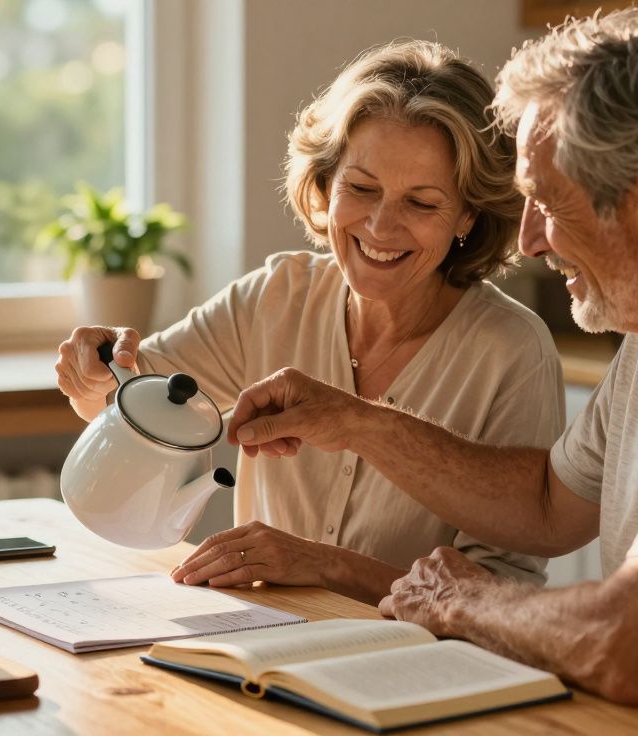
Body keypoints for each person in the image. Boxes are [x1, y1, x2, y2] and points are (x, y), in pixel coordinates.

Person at [223, 9, 638, 734]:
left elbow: (634, 648)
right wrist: (355, 421)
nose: (528, 239)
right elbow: (546, 503)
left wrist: (465, 603)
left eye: (548, 202)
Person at [54, 40, 565, 604]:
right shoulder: (276, 296)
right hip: (263, 640)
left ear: (467, 213)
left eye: (421, 203)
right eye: (361, 188)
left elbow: (503, 593)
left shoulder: (512, 351)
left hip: (415, 654)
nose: (381, 226)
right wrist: (94, 372)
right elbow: (125, 399)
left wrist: (327, 567)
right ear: (325, 184)